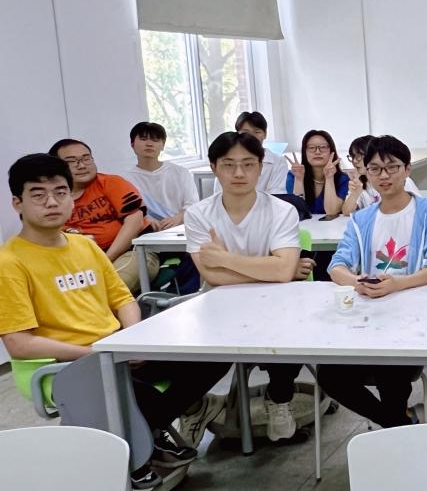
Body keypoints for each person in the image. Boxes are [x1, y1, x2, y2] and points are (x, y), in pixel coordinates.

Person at [0, 154, 227, 489]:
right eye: (38, 194)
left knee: (212, 355)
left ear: (71, 197)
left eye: (60, 192)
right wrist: (100, 352)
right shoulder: (10, 262)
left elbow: (123, 300)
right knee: (132, 392)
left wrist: (130, 340)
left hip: (116, 351)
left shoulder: (84, 246)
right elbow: (19, 344)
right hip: (70, 365)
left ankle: (143, 434)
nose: (51, 202)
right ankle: (135, 447)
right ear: (17, 202)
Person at [321, 136, 427, 428]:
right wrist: (357, 281)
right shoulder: (361, 220)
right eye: (375, 169)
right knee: (330, 375)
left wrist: (398, 284)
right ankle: (398, 425)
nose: (384, 176)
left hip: (415, 322)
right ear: (366, 173)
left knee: (390, 370)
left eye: (392, 167)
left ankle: (395, 428)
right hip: (369, 320)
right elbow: (337, 265)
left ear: (407, 169)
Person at [185, 131, 314, 444]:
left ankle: (279, 399)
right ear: (214, 168)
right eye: (229, 165)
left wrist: (225, 259)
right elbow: (213, 277)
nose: (239, 173)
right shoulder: (198, 214)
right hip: (219, 307)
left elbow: (280, 271)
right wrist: (275, 269)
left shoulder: (281, 210)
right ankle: (195, 409)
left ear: (260, 167)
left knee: (290, 336)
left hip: (276, 304)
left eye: (248, 164)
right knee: (199, 363)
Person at [48, 139, 157, 293]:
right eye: (72, 161)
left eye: (86, 158)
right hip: (78, 260)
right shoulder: (52, 198)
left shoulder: (111, 183)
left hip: (132, 252)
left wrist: (105, 259)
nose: (82, 165)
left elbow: (135, 221)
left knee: (105, 289)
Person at [122, 122, 199, 231]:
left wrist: (177, 218)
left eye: (155, 140)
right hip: (144, 232)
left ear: (163, 145)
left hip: (179, 230)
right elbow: (124, 212)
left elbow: (193, 205)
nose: (149, 144)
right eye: (143, 139)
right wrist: (145, 221)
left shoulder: (181, 173)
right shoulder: (124, 179)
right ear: (132, 144)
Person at [344, 135, 421, 215]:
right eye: (352, 156)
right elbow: (346, 212)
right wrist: (354, 194)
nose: (354, 161)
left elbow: (419, 207)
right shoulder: (358, 183)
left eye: (358, 156)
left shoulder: (401, 180)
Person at [286, 130, 349, 216]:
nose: (317, 152)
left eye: (323, 147)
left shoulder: (343, 179)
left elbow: (332, 211)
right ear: (305, 152)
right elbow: (298, 212)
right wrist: (299, 179)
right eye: (311, 148)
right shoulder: (293, 176)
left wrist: (329, 178)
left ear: (331, 151)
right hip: (305, 224)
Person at [234, 111, 289, 195]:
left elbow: (277, 195)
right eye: (245, 132)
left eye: (257, 132)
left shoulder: (278, 161)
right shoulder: (227, 160)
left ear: (265, 134)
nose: (251, 137)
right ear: (237, 134)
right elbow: (220, 194)